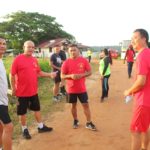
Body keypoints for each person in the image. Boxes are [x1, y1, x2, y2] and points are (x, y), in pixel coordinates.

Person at [10, 40, 57, 140]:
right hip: (21, 93)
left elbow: (39, 72)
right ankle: (24, 130)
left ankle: (41, 127)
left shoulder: (34, 60)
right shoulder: (18, 59)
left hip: (33, 91)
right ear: (24, 47)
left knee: (37, 109)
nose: (31, 49)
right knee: (22, 112)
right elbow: (12, 74)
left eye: (33, 47)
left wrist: (49, 74)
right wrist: (13, 88)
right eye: (29, 47)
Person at [124, 29, 150, 150]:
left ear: (144, 39)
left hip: (143, 101)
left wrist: (129, 91)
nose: (132, 41)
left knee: (135, 131)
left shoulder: (142, 55)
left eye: (135, 38)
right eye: (131, 38)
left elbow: (141, 82)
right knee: (144, 128)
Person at [61, 44, 96, 131]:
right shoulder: (66, 62)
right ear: (68, 52)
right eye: (71, 50)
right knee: (73, 105)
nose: (73, 52)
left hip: (81, 89)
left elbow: (90, 72)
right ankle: (75, 120)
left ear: (78, 51)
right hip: (71, 89)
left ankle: (89, 122)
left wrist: (81, 75)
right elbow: (62, 76)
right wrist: (71, 76)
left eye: (74, 50)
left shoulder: (83, 61)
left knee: (86, 105)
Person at [0, 38, 13, 150]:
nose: (2, 45)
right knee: (8, 127)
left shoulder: (1, 61)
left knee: (1, 127)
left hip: (3, 100)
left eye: (4, 43)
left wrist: (9, 91)